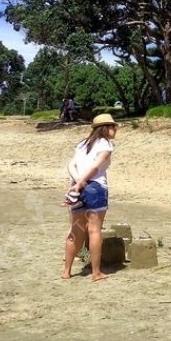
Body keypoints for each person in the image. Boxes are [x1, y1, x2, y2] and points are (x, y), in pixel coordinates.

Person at [62, 113, 118, 282]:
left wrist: (76, 183)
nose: (116, 130)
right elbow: (96, 167)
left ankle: (66, 271)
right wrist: (82, 183)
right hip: (94, 187)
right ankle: (96, 272)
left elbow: (71, 164)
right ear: (106, 128)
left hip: (77, 187)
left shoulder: (82, 144)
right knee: (94, 230)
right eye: (113, 127)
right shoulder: (106, 145)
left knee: (76, 230)